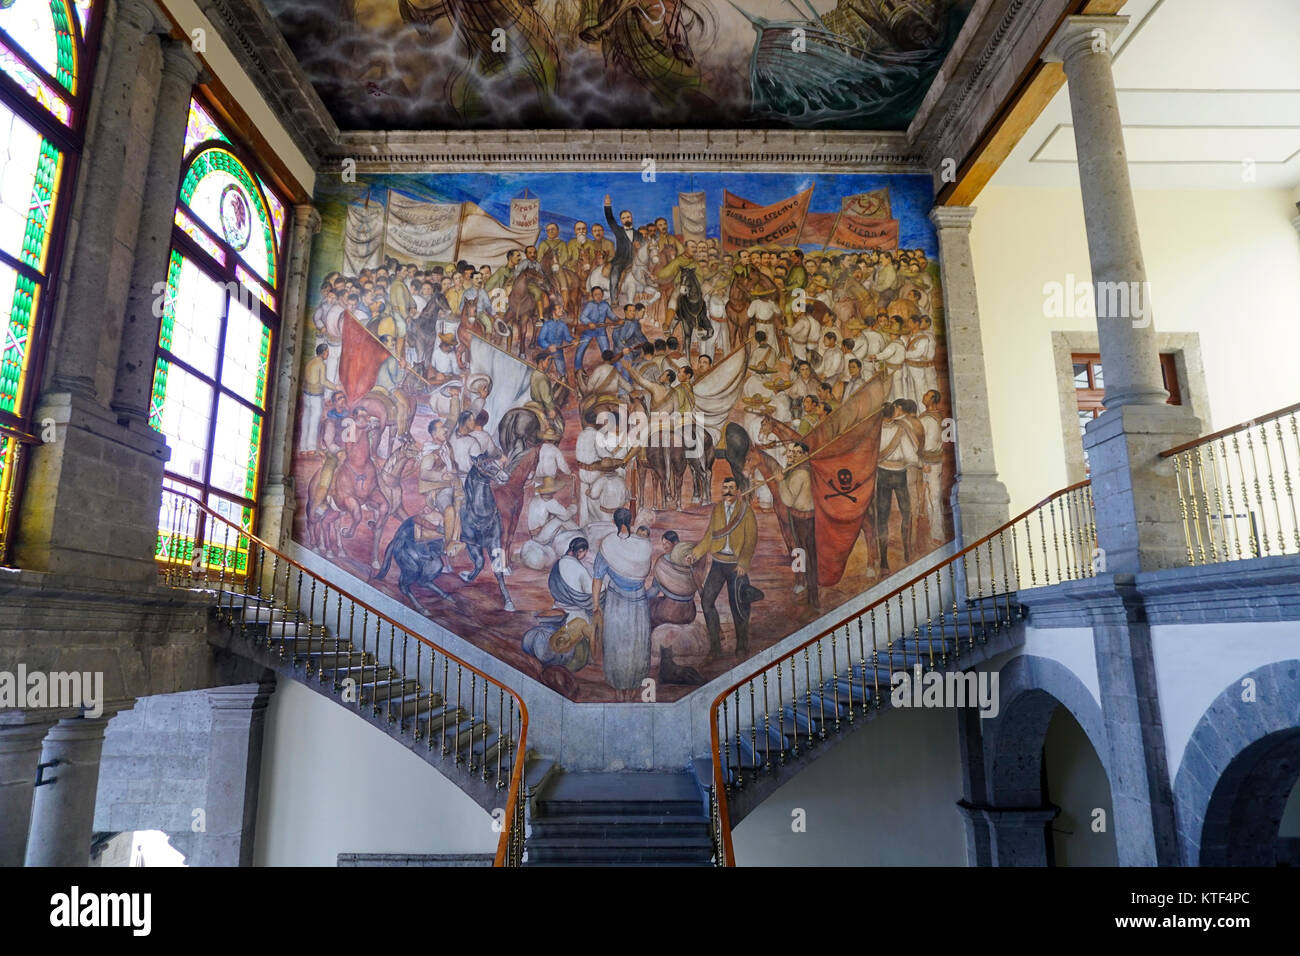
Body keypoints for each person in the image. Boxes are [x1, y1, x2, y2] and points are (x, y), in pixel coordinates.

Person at [688, 475, 761, 657]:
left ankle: (742, 645)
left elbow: (751, 539)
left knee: (739, 605)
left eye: (731, 488)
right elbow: (709, 536)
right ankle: (716, 647)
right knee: (706, 602)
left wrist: (744, 562)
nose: (727, 491)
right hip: (718, 563)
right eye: (725, 487)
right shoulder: (718, 509)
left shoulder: (746, 511)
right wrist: (695, 553)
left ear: (737, 492)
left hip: (737, 566)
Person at [592, 507, 653, 699]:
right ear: (631, 520)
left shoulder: (608, 544)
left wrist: (595, 605)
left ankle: (619, 690)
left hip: (616, 601)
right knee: (638, 643)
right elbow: (644, 573)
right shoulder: (644, 545)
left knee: (616, 642)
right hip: (639, 602)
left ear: (614, 522)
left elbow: (597, 577)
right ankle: (634, 688)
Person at [875, 399, 920, 573]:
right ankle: (907, 551)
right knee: (906, 512)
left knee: (882, 518)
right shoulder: (901, 430)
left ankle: (884, 562)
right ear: (893, 413)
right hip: (899, 476)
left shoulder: (876, 431)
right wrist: (920, 463)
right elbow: (910, 455)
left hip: (882, 475)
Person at [646, 530, 699, 629]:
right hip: (690, 612)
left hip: (671, 613)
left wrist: (642, 598)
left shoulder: (663, 562)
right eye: (663, 544)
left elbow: (654, 590)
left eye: (667, 543)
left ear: (675, 544)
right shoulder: (690, 560)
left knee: (649, 606)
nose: (664, 547)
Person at [299, 343, 339, 453]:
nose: (328, 354)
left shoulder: (310, 362)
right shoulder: (321, 364)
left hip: (306, 394)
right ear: (324, 352)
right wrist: (335, 387)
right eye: (327, 352)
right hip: (316, 396)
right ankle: (311, 447)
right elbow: (323, 381)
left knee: (305, 420)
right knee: (314, 421)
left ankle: (303, 447)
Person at [575, 286, 617, 372]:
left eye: (600, 294)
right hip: (588, 332)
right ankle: (577, 369)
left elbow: (611, 315)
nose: (598, 296)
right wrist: (589, 323)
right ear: (592, 296)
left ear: (602, 295)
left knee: (607, 351)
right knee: (580, 350)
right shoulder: (590, 305)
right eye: (596, 294)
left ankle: (609, 369)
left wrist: (618, 320)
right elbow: (582, 317)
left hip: (600, 332)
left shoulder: (605, 305)